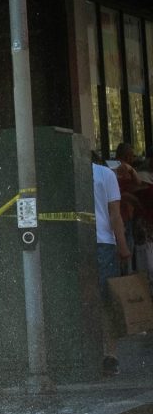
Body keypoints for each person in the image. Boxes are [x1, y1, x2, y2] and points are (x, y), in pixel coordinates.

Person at [93, 155, 133, 377]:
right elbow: (115, 214)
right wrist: (123, 246)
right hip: (104, 243)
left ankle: (94, 351)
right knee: (106, 301)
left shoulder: (66, 172)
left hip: (83, 243)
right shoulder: (105, 174)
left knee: (88, 300)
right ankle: (110, 354)